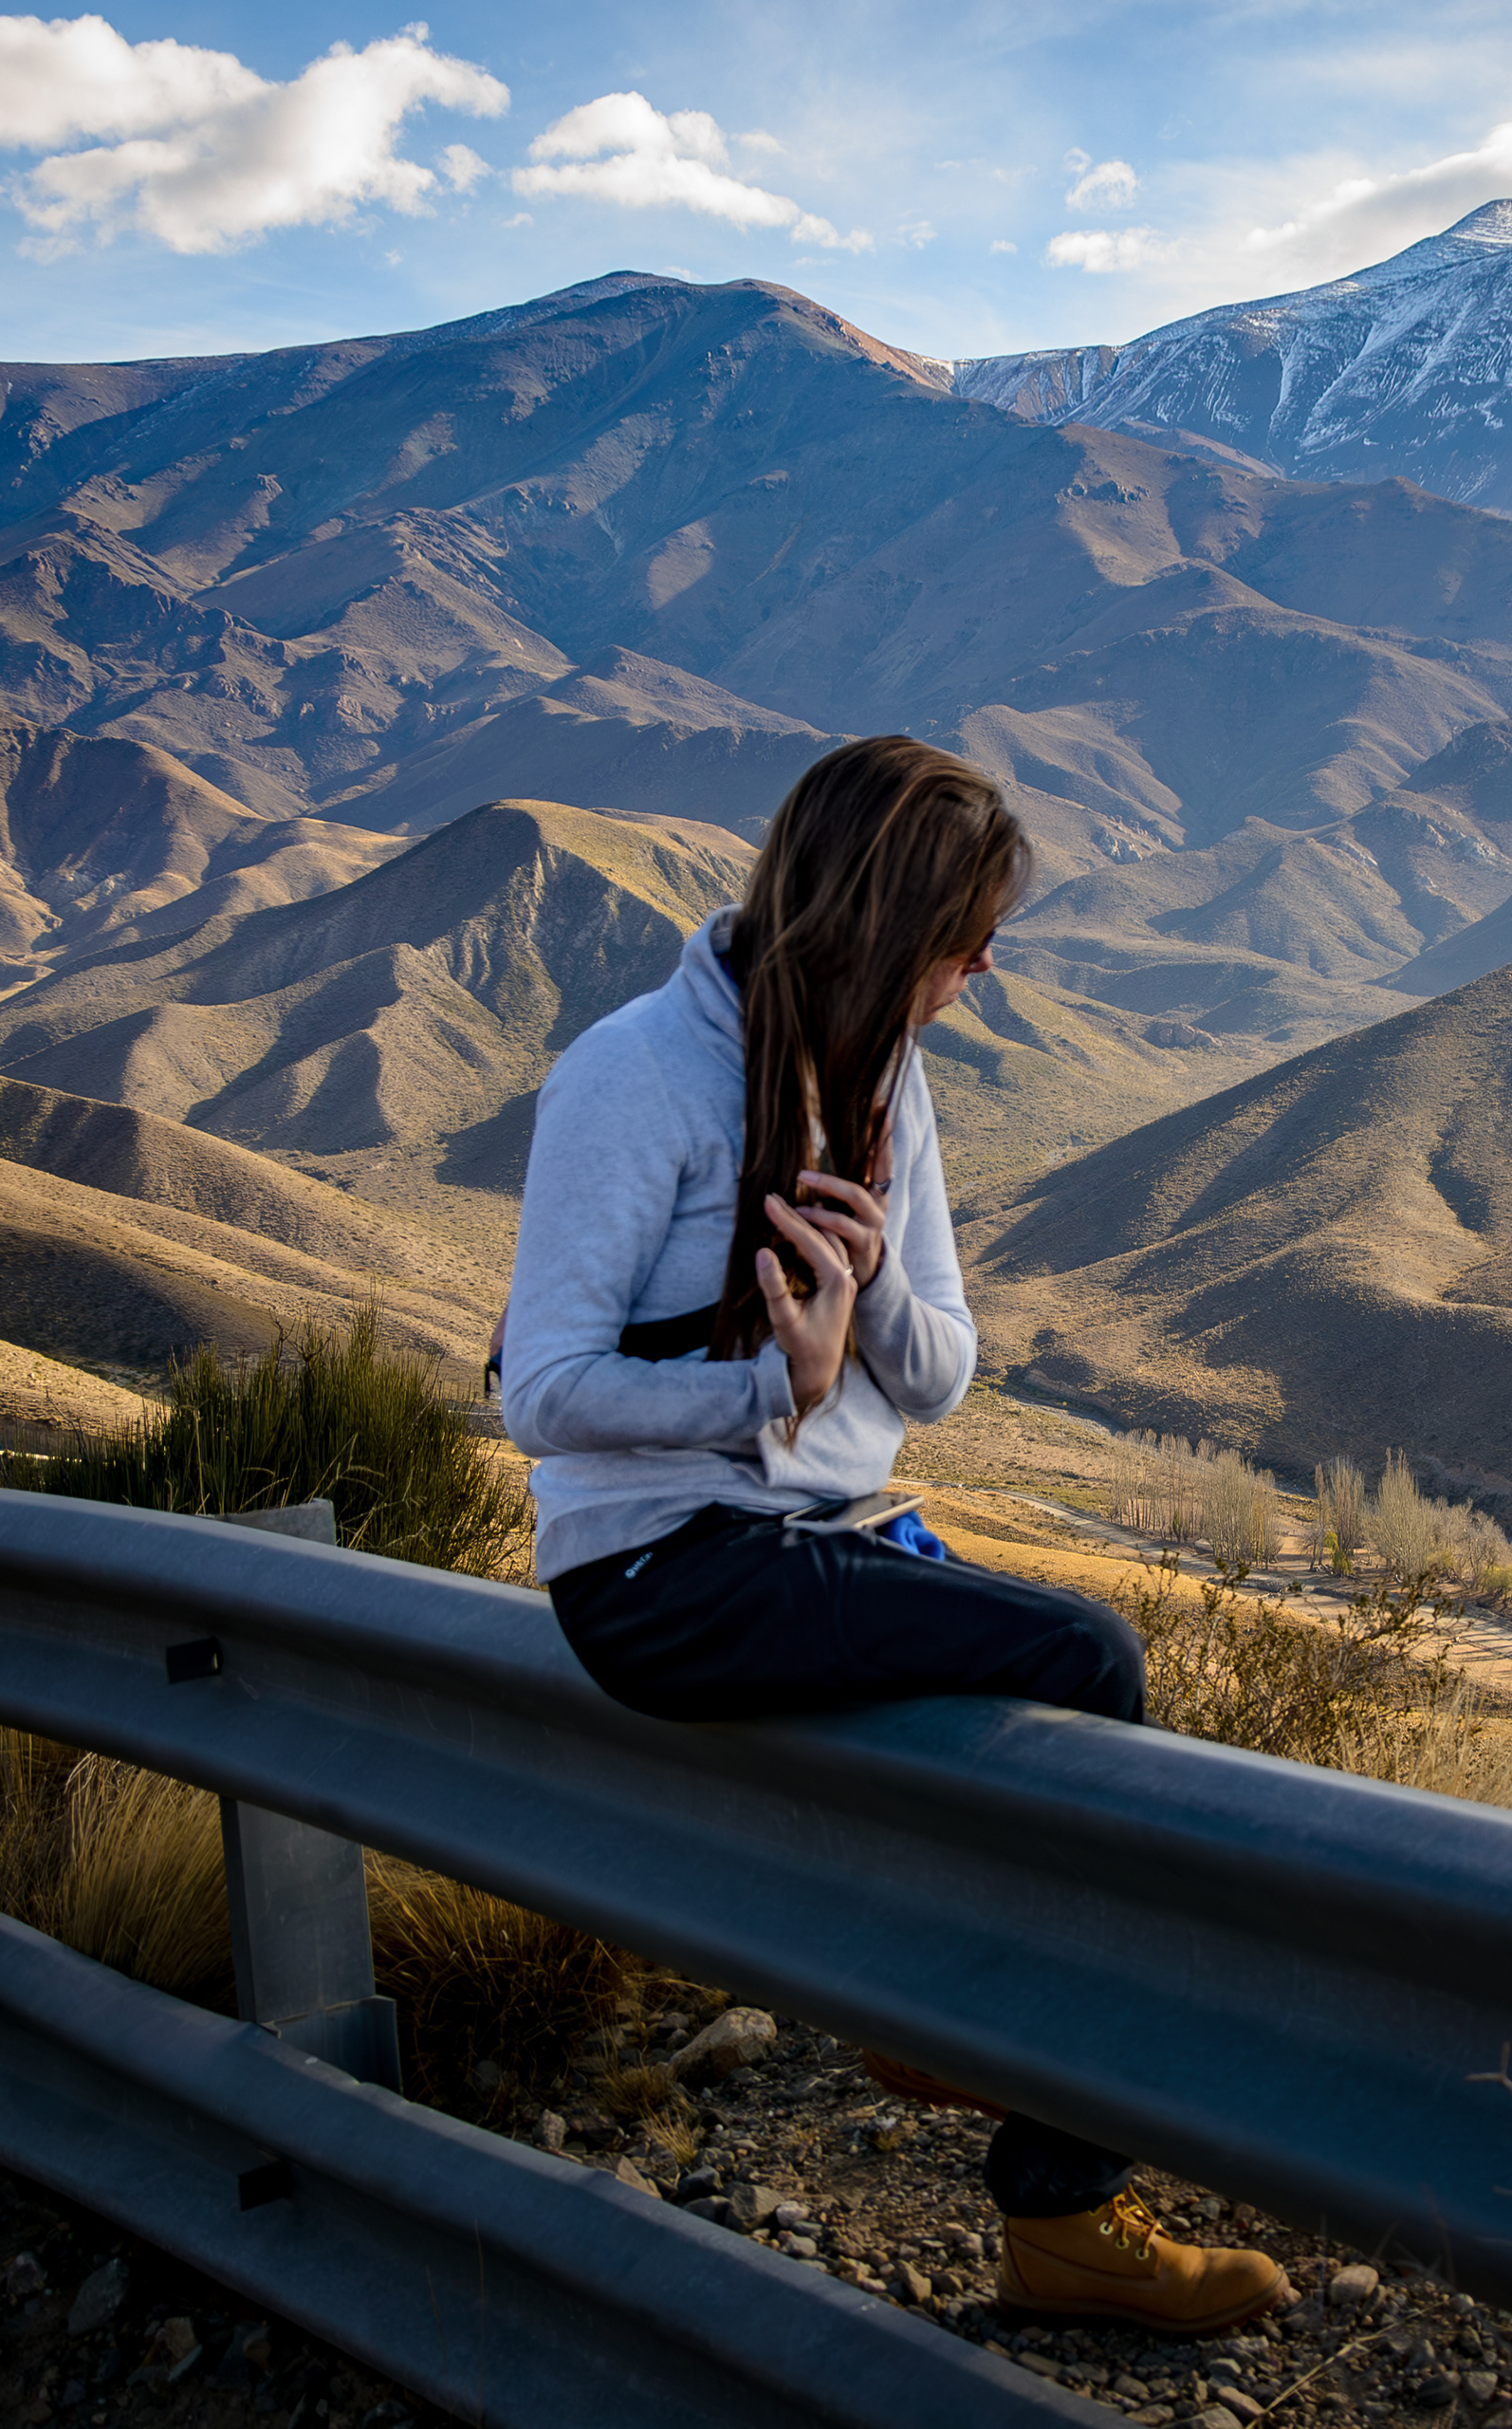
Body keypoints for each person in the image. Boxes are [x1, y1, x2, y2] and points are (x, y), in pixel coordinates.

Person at [499, 734, 1289, 2334]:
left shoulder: (885, 1079)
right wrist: (765, 1385)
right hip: (663, 1570)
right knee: (1085, 1656)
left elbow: (939, 1374)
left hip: (829, 1530)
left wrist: (866, 1303)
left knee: (1055, 1679)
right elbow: (545, 1392)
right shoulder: (632, 1076)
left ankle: (954, 2020)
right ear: (882, 922)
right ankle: (1043, 2172)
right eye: (966, 936)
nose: (985, 968)